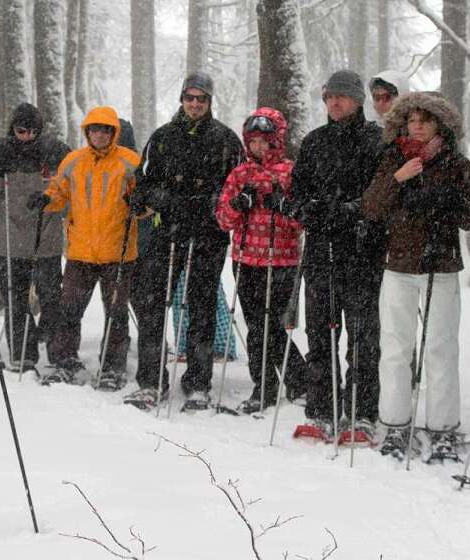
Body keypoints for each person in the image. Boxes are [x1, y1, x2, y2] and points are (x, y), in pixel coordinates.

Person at [361, 92, 470, 461]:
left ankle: (443, 428)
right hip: (398, 265)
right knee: (396, 348)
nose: (416, 126)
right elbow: (371, 208)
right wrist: (398, 179)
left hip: (441, 266)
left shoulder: (456, 163)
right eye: (411, 120)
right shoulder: (392, 157)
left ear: (439, 125)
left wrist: (446, 198)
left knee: (440, 348)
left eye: (424, 120)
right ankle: (395, 423)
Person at [125, 72, 244, 412]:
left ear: (209, 102)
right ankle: (151, 380)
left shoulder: (225, 139)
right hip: (168, 230)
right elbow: (142, 182)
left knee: (201, 304)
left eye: (201, 99)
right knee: (153, 302)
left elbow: (235, 186)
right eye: (190, 98)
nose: (194, 104)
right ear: (181, 99)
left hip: (207, 234)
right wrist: (161, 198)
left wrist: (213, 202)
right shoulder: (163, 137)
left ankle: (198, 382)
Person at [291, 70, 384, 442]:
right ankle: (321, 410)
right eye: (329, 97)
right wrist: (307, 210)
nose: (335, 103)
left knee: (362, 338)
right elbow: (296, 193)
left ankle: (361, 413)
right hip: (320, 252)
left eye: (342, 97)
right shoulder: (314, 142)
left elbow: (380, 196)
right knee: (320, 334)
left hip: (362, 252)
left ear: (358, 100)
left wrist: (353, 212)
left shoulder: (375, 140)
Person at [29, 106, 140, 389]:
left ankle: (113, 367)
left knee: (115, 312)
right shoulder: (74, 161)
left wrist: (142, 204)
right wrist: (45, 199)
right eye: (94, 129)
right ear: (87, 132)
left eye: (105, 130)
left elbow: (145, 200)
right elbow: (59, 191)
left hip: (118, 251)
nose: (99, 135)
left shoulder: (129, 162)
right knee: (69, 309)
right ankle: (64, 361)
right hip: (81, 251)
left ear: (113, 133)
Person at [215, 107, 308, 414]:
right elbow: (223, 220)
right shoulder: (239, 173)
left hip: (280, 261)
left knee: (272, 326)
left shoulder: (290, 172)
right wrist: (239, 203)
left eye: (264, 141)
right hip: (245, 260)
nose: (258, 147)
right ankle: (264, 385)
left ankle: (299, 378)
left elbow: (302, 220)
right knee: (256, 326)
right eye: (252, 141)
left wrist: (282, 205)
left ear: (277, 140)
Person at [0, 103, 70, 370]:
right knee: (15, 300)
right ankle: (23, 352)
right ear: (12, 128)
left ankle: (57, 353)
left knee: (51, 298)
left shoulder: (56, 150)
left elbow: (70, 186)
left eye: (32, 131)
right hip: (11, 239)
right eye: (21, 130)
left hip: (46, 238)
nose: (26, 136)